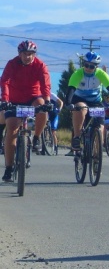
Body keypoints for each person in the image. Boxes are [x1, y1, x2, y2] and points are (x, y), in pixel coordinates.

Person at [1, 40, 52, 181]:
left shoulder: (40, 65)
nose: (27, 57)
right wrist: (5, 100)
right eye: (24, 54)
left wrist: (47, 101)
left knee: (42, 108)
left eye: (30, 54)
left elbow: (45, 84)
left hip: (32, 97)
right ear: (19, 54)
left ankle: (36, 138)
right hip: (14, 99)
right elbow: (4, 81)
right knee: (11, 130)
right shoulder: (12, 64)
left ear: (34, 54)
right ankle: (9, 168)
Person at [66, 52, 109, 154]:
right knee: (81, 108)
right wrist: (68, 103)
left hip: (96, 103)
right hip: (80, 100)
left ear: (96, 66)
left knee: (100, 130)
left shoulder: (101, 74)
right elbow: (71, 90)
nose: (88, 68)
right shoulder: (77, 74)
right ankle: (77, 137)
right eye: (86, 65)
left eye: (91, 66)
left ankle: (96, 157)